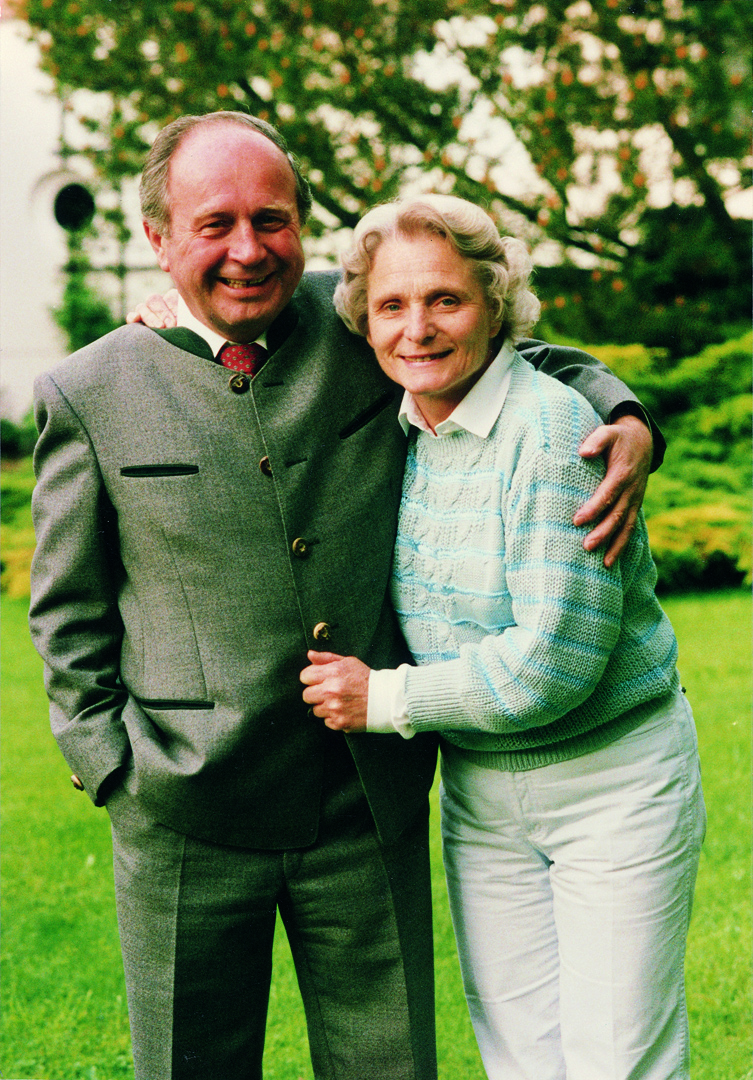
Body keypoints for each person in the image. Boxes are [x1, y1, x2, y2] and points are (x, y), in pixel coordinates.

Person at [29, 110, 659, 1080]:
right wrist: (108, 764)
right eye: (216, 224)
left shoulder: (363, 319)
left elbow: (511, 349)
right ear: (158, 238)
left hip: (366, 801)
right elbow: (67, 610)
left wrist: (623, 412)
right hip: (185, 807)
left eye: (273, 220)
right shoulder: (90, 391)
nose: (249, 250)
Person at [300, 194, 706, 1080]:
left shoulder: (556, 431)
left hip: (613, 787)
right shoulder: (404, 425)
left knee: (616, 1064)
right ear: (364, 321)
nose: (417, 327)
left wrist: (385, 698)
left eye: (445, 299)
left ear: (495, 303)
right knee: (522, 1061)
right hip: (482, 796)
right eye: (392, 306)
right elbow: (260, 309)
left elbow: (550, 667)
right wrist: (172, 316)